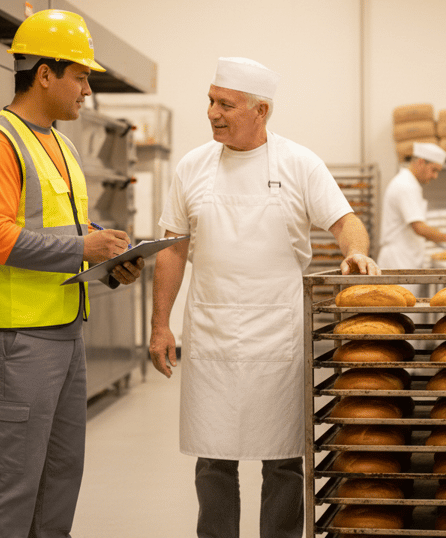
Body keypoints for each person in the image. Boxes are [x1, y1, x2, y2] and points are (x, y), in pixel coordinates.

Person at [148, 56, 379, 538]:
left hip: (278, 337)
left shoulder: (298, 162)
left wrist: (355, 254)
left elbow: (346, 222)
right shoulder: (193, 166)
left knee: (284, 462)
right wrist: (160, 324)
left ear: (262, 110)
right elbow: (171, 248)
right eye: (210, 100)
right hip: (212, 334)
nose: (212, 112)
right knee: (212, 460)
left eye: (226, 104)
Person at [0, 10, 143, 538]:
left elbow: (68, 226)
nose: (87, 89)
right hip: (16, 339)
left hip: (64, 333)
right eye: (80, 76)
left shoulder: (60, 143)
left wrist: (108, 260)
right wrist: (84, 245)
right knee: (9, 481)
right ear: (44, 74)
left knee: (60, 475)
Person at [378, 142, 446, 294]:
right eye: (434, 170)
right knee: (399, 312)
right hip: (398, 261)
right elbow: (420, 228)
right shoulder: (405, 186)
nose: (435, 176)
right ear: (421, 162)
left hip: (405, 259)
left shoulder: (409, 184)